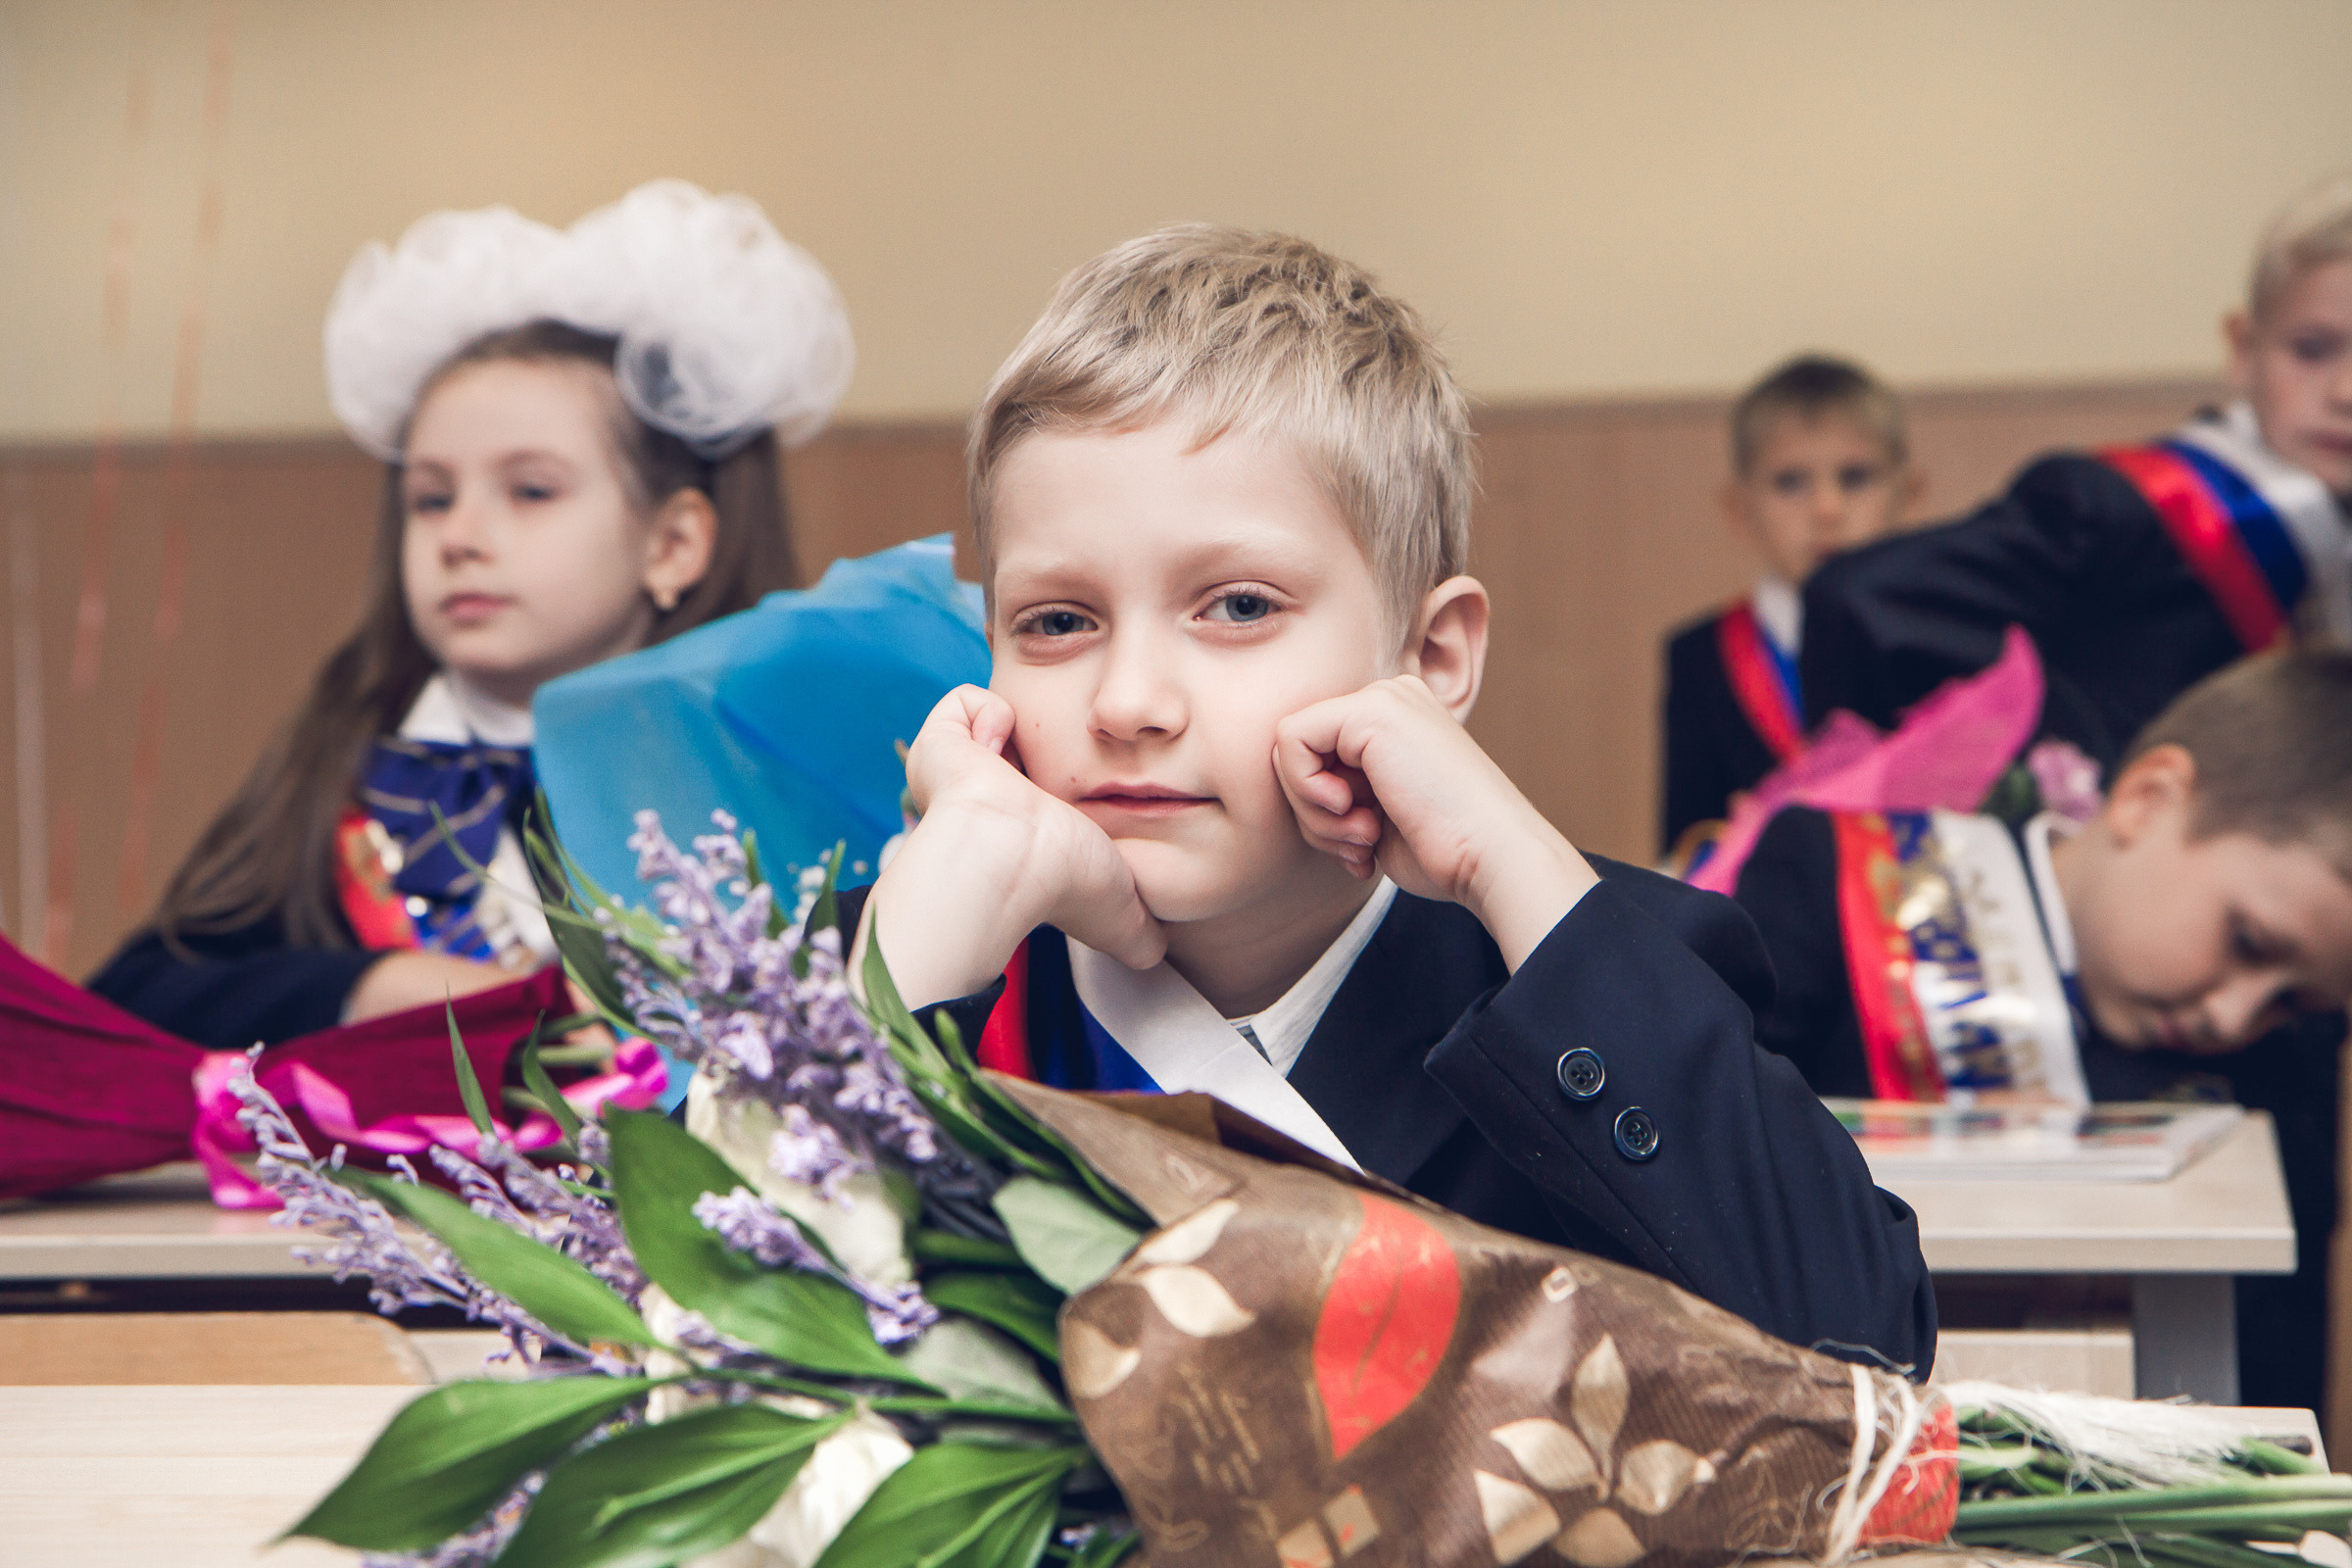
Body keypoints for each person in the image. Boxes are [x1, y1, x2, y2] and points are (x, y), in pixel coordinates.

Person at [836, 225, 1936, 1372]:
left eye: (1239, 606)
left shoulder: (1595, 971)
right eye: (1057, 622)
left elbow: (1866, 1342)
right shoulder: (910, 959)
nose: (1127, 702)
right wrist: (907, 960)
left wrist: (1514, 860)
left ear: (1434, 657)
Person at [89, 180, 852, 1052]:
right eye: (431, 498)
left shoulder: (760, 773)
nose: (460, 537)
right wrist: (375, 985)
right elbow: (132, 999)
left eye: (530, 491)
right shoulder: (349, 755)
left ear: (673, 542)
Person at [1731, 649, 2352, 1410]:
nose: (2234, 1016)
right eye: (2247, 942)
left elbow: (2270, 1390)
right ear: (2149, 799)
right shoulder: (1832, 880)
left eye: (2292, 1001)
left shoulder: (2276, 1071)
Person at [1799, 173, 2352, 767]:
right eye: (2312, 350)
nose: (2345, 392)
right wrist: (2072, 767)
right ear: (2243, 350)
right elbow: (1858, 601)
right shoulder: (2113, 510)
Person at [1659, 355, 1919, 851]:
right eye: (1790, 482)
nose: (1827, 509)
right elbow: (1686, 850)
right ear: (1739, 510)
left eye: (1855, 477)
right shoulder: (1701, 654)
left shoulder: (1941, 640)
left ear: (1910, 495)